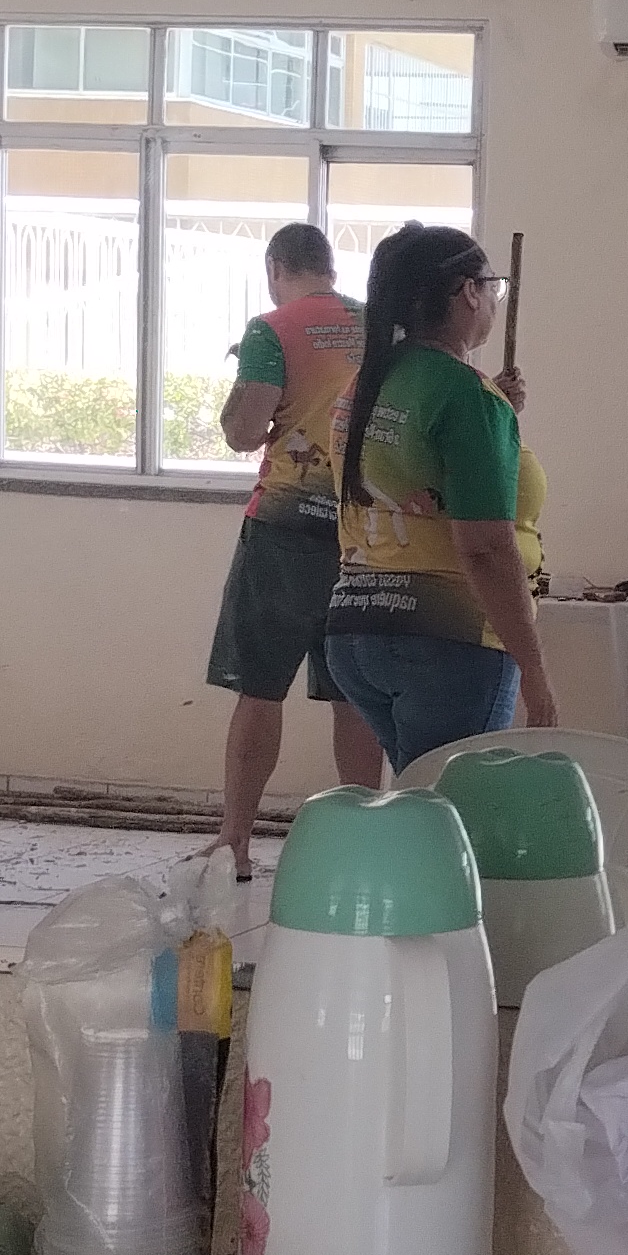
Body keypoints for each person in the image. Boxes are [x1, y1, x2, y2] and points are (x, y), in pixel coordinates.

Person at [319, 224, 558, 774]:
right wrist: (536, 672)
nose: (494, 299)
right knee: (455, 807)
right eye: (492, 286)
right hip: (447, 640)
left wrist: (495, 410)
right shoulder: (465, 396)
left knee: (420, 798)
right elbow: (486, 549)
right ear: (469, 291)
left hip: (359, 628)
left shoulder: (369, 382)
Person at [201, 223, 386, 874]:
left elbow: (244, 431)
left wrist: (242, 392)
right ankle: (365, 841)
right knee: (354, 694)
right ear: (330, 268)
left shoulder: (270, 330)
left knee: (259, 688)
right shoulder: (376, 325)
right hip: (361, 536)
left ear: (276, 268)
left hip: (283, 532)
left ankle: (236, 840)